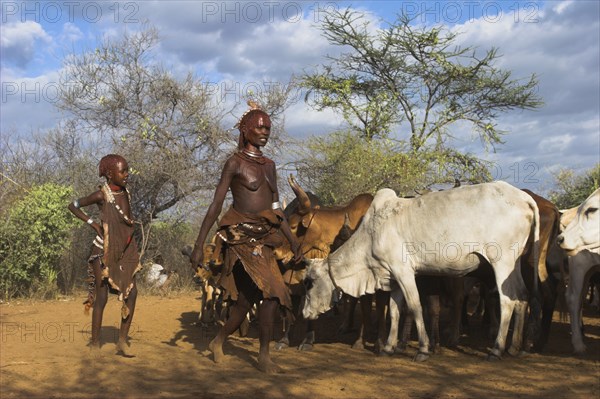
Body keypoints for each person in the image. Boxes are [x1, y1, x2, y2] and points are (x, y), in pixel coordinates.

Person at [190, 103, 301, 373]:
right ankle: (264, 357)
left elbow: (275, 209)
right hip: (241, 238)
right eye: (259, 127)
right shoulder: (235, 163)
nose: (265, 132)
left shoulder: (270, 166)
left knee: (246, 300)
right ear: (246, 130)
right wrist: (199, 243)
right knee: (274, 293)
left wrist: (293, 240)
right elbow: (216, 204)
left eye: (268, 128)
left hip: (266, 236)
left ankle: (218, 340)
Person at [68, 154, 141, 356]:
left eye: (127, 170)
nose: (127, 174)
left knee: (132, 293)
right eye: (123, 171)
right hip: (103, 252)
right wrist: (93, 224)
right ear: (110, 174)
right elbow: (73, 205)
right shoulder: (102, 195)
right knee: (102, 298)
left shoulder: (126, 192)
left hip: (125, 252)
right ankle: (95, 343)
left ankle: (122, 342)